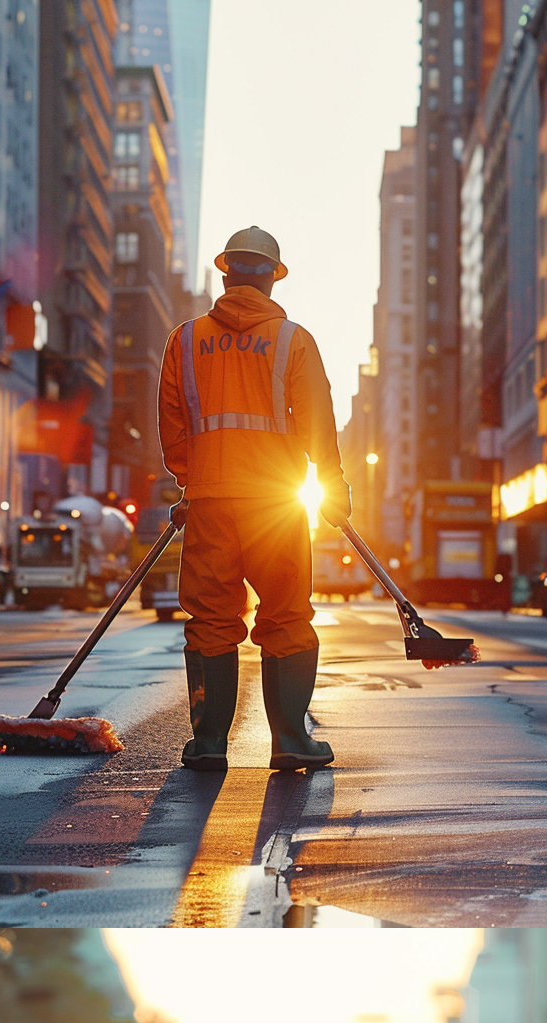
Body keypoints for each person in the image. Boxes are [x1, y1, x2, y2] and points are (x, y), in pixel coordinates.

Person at [158, 226, 354, 773]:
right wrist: (333, 487)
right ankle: (290, 738)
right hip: (275, 506)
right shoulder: (294, 340)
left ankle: (210, 743)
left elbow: (172, 427)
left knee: (211, 617)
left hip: (213, 504)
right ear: (271, 279)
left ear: (226, 275)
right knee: (287, 615)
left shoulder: (185, 339)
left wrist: (191, 482)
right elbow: (318, 424)